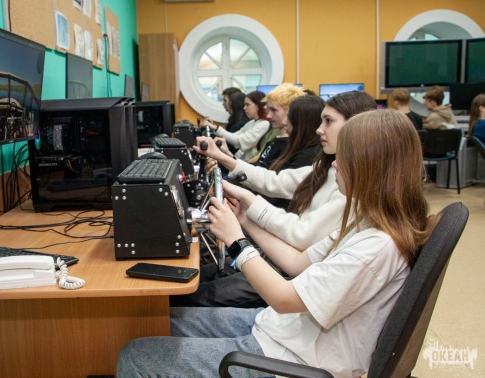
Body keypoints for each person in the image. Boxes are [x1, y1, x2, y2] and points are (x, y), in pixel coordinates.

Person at [117, 109, 441, 378]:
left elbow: (285, 298)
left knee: (136, 355)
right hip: (284, 331)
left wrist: (236, 241)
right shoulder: (365, 218)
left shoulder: (376, 247)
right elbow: (298, 264)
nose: (336, 164)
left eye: (344, 158)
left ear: (369, 167)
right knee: (152, 321)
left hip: (292, 360)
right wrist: (245, 221)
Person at [170, 91, 375, 309]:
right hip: (276, 256)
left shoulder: (350, 189)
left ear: (356, 127)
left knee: (193, 298)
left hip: (284, 272)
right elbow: (275, 180)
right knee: (199, 279)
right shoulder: (327, 165)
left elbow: (300, 237)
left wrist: (246, 208)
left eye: (328, 121)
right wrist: (223, 160)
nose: (319, 129)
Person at [202, 91, 270, 162]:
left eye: (247, 104)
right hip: (240, 161)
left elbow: (238, 141)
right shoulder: (252, 122)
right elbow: (235, 135)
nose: (244, 108)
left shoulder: (264, 124)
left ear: (258, 106)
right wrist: (214, 128)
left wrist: (215, 128)